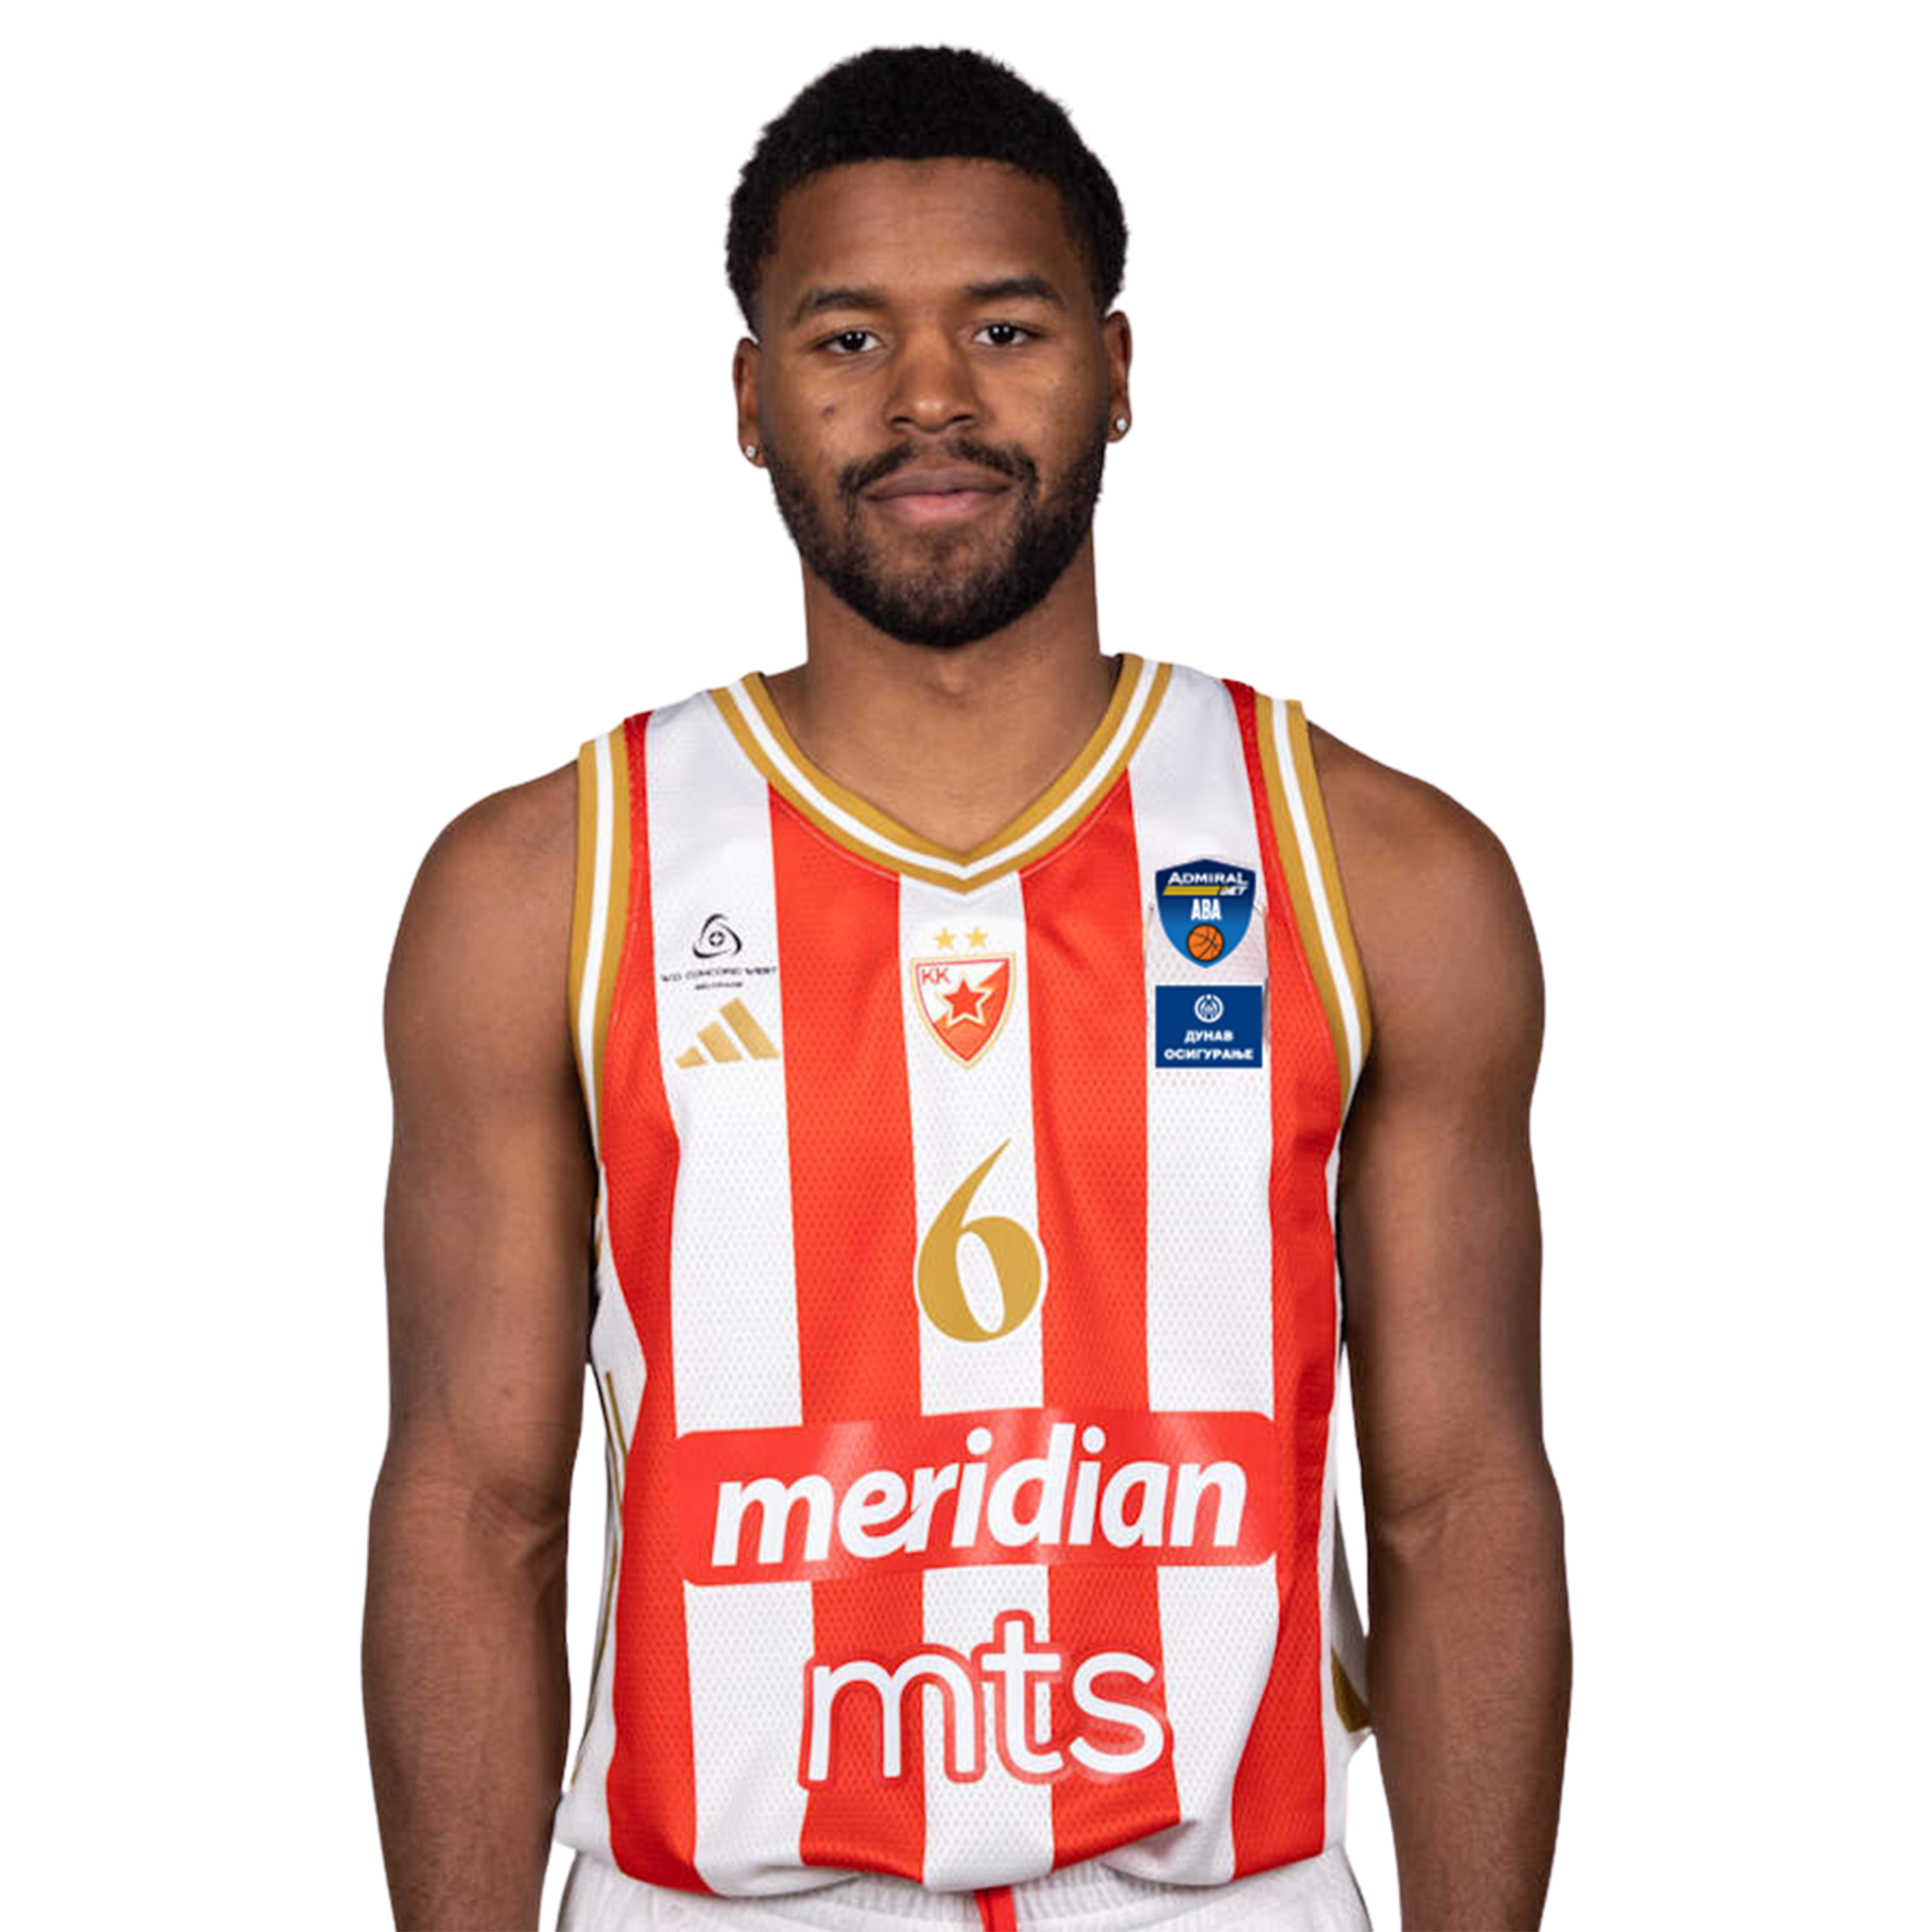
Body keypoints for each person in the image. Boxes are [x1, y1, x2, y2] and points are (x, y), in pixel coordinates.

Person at [360, 40, 1573, 1932]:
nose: (929, 396)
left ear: (1119, 367)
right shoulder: (544, 887)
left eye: (1004, 329)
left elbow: (1460, 1499)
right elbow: (472, 1509)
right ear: (749, 399)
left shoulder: (1379, 872)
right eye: (848, 338)